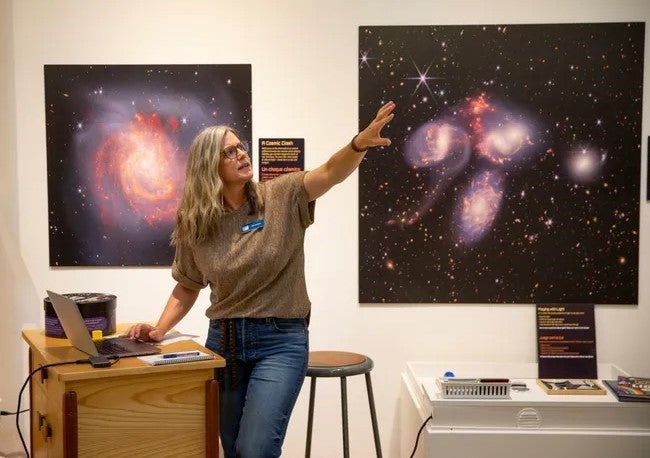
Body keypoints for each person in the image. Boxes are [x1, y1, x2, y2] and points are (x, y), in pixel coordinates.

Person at [123, 101, 395, 458]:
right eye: (229, 152)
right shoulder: (196, 221)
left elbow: (330, 171)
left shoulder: (280, 196)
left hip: (280, 342)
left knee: (256, 449)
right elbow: (189, 284)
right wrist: (159, 330)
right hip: (225, 342)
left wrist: (358, 145)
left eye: (241, 147)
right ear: (210, 166)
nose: (241, 154)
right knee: (233, 449)